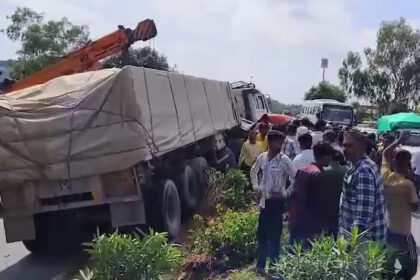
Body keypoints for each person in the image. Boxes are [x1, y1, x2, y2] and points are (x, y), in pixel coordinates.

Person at [251, 131, 296, 274]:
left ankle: (274, 268)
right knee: (262, 235)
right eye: (278, 143)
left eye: (281, 143)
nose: (280, 146)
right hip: (264, 203)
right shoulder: (263, 157)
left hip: (277, 205)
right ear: (270, 143)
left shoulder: (284, 160)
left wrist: (284, 194)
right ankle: (260, 266)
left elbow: (295, 179)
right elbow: (253, 171)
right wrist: (256, 188)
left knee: (275, 236)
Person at [382, 131, 419, 280]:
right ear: (408, 165)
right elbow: (415, 207)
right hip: (404, 234)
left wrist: (398, 141)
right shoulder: (407, 184)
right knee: (411, 268)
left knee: (387, 267)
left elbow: (385, 153)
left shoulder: (385, 175)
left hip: (388, 231)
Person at [339, 129, 386, 242]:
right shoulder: (356, 165)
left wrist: (349, 246)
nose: (345, 150)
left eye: (350, 146)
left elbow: (362, 219)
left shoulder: (363, 172)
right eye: (344, 145)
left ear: (362, 146)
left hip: (364, 244)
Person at [289, 142, 335, 248]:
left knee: (293, 252)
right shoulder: (318, 174)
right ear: (326, 157)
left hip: (296, 217)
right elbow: (320, 202)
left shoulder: (304, 170)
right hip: (309, 223)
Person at [317, 150, 348, 238]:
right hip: (344, 210)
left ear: (334, 161)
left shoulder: (327, 174)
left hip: (331, 210)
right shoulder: (349, 170)